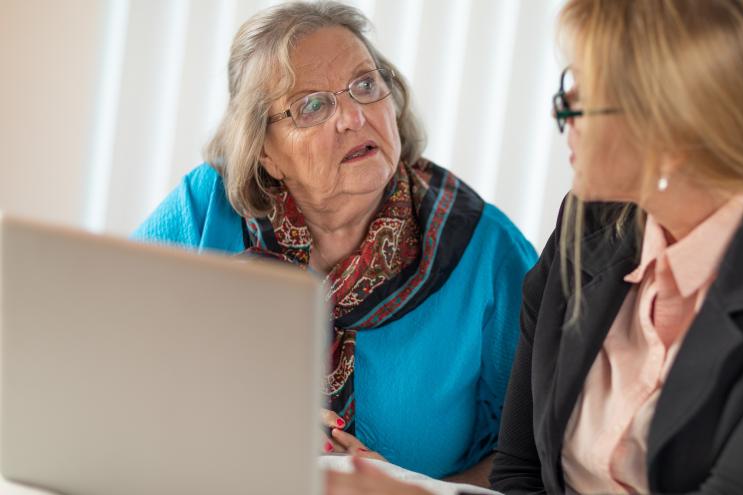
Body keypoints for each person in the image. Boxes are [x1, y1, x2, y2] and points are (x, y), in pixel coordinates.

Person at [326, 0, 743, 494]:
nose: (562, 119)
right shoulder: (588, 226)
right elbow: (522, 472)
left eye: (582, 99)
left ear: (675, 127)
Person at [132, 1, 536, 486]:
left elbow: (535, 464)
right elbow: (110, 363)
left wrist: (410, 492)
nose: (352, 117)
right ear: (266, 152)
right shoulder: (204, 210)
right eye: (313, 105)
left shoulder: (487, 251)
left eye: (365, 85)